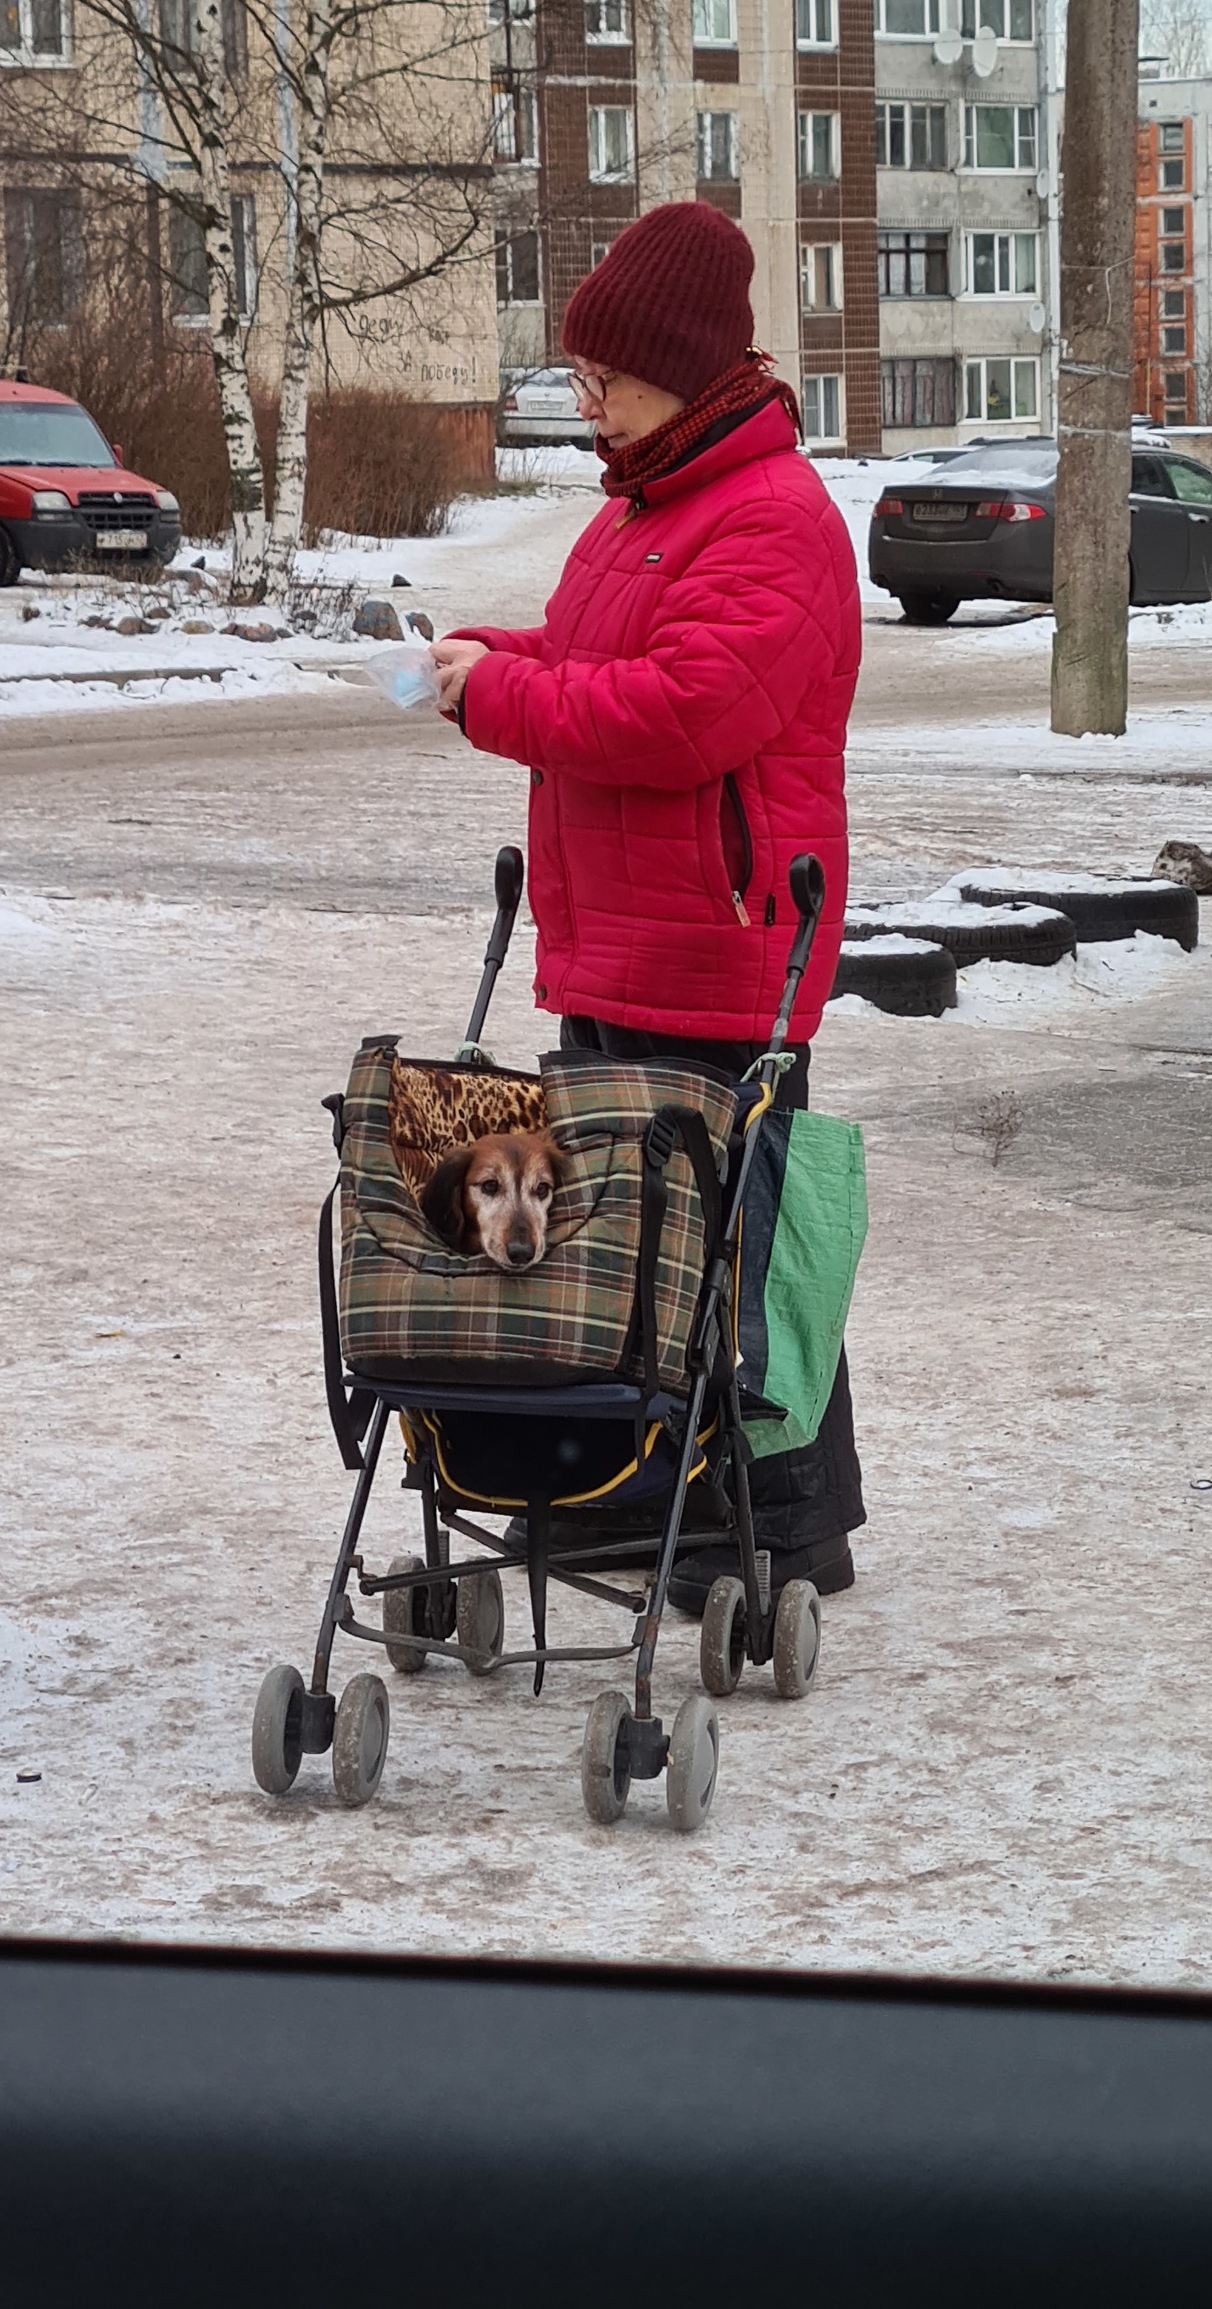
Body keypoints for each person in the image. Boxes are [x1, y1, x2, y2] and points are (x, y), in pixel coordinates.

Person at [429, 199, 864, 1614]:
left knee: (732, 1244)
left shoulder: (774, 517)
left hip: (725, 943)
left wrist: (504, 700)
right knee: (635, 1241)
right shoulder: (647, 508)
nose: (587, 393)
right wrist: (490, 654)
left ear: (682, 364)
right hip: (619, 938)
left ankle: (779, 1530)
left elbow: (684, 713)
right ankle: (647, 1504)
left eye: (605, 369)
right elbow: (591, 654)